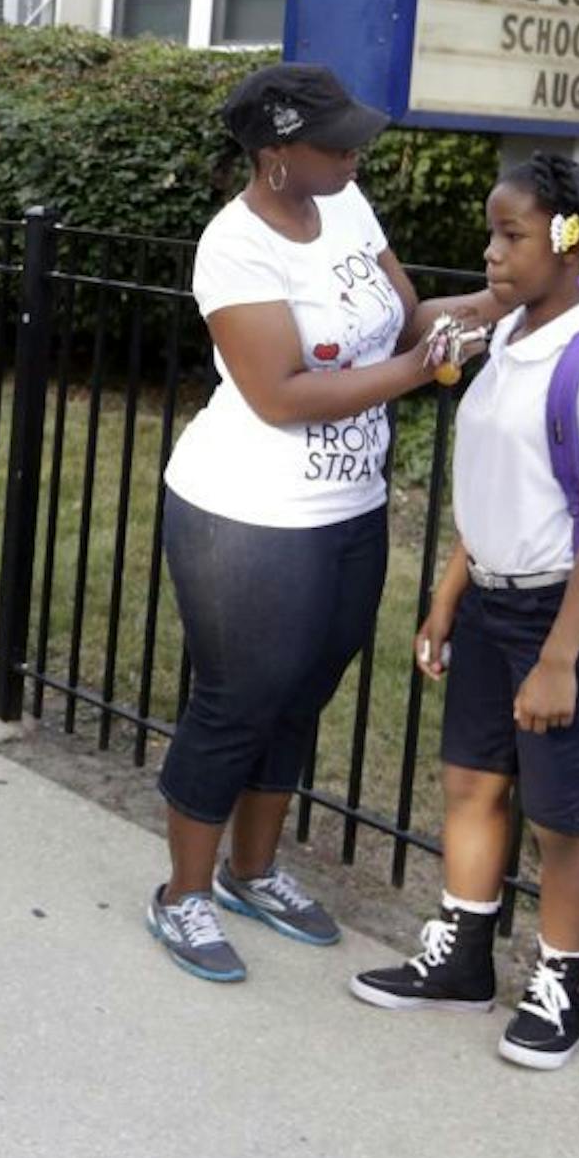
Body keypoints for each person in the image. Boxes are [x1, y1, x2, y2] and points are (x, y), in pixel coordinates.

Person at [146, 62, 498, 983]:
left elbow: (410, 315)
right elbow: (282, 394)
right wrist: (428, 369)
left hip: (350, 506)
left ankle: (252, 872)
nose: (354, 152)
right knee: (238, 697)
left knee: (304, 692)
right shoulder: (234, 246)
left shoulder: (346, 202)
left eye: (354, 139)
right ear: (274, 156)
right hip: (249, 510)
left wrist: (511, 301)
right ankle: (182, 891)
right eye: (333, 141)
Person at [352, 155, 579, 1071]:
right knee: (473, 781)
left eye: (512, 235)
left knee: (562, 816)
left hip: (566, 616)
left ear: (567, 240)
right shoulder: (510, 332)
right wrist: (446, 596)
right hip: (489, 602)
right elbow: (497, 491)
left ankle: (561, 986)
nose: (492, 251)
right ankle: (464, 957)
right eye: (492, 232)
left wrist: (560, 656)